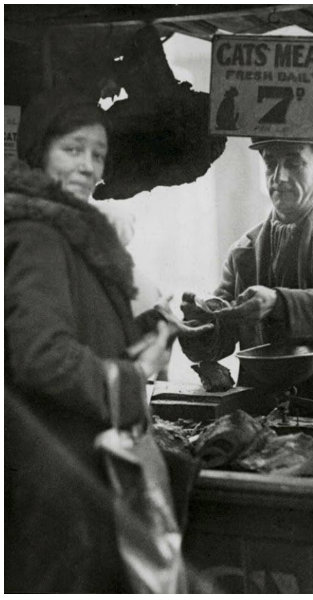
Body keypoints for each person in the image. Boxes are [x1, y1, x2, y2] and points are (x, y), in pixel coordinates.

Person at [4, 91, 180, 592]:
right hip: (55, 475)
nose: (87, 166)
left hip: (77, 469)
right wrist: (131, 378)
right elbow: (42, 356)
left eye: (97, 154)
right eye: (73, 149)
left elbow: (84, 328)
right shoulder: (36, 235)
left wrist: (147, 335)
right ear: (41, 151)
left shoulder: (75, 232)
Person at [179, 138, 313, 400]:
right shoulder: (243, 251)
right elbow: (218, 340)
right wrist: (200, 323)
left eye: (293, 163)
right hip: (262, 405)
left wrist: (279, 303)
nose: (279, 177)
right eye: (270, 164)